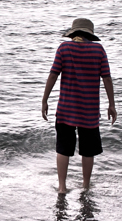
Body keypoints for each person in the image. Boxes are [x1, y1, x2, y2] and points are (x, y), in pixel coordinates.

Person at [41, 18, 117, 193]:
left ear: (74, 33)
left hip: (66, 109)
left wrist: (45, 100)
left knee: (63, 148)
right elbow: (106, 78)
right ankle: (85, 186)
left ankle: (62, 187)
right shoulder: (98, 50)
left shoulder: (64, 48)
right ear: (90, 34)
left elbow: (53, 75)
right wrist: (111, 105)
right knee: (88, 150)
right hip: (89, 111)